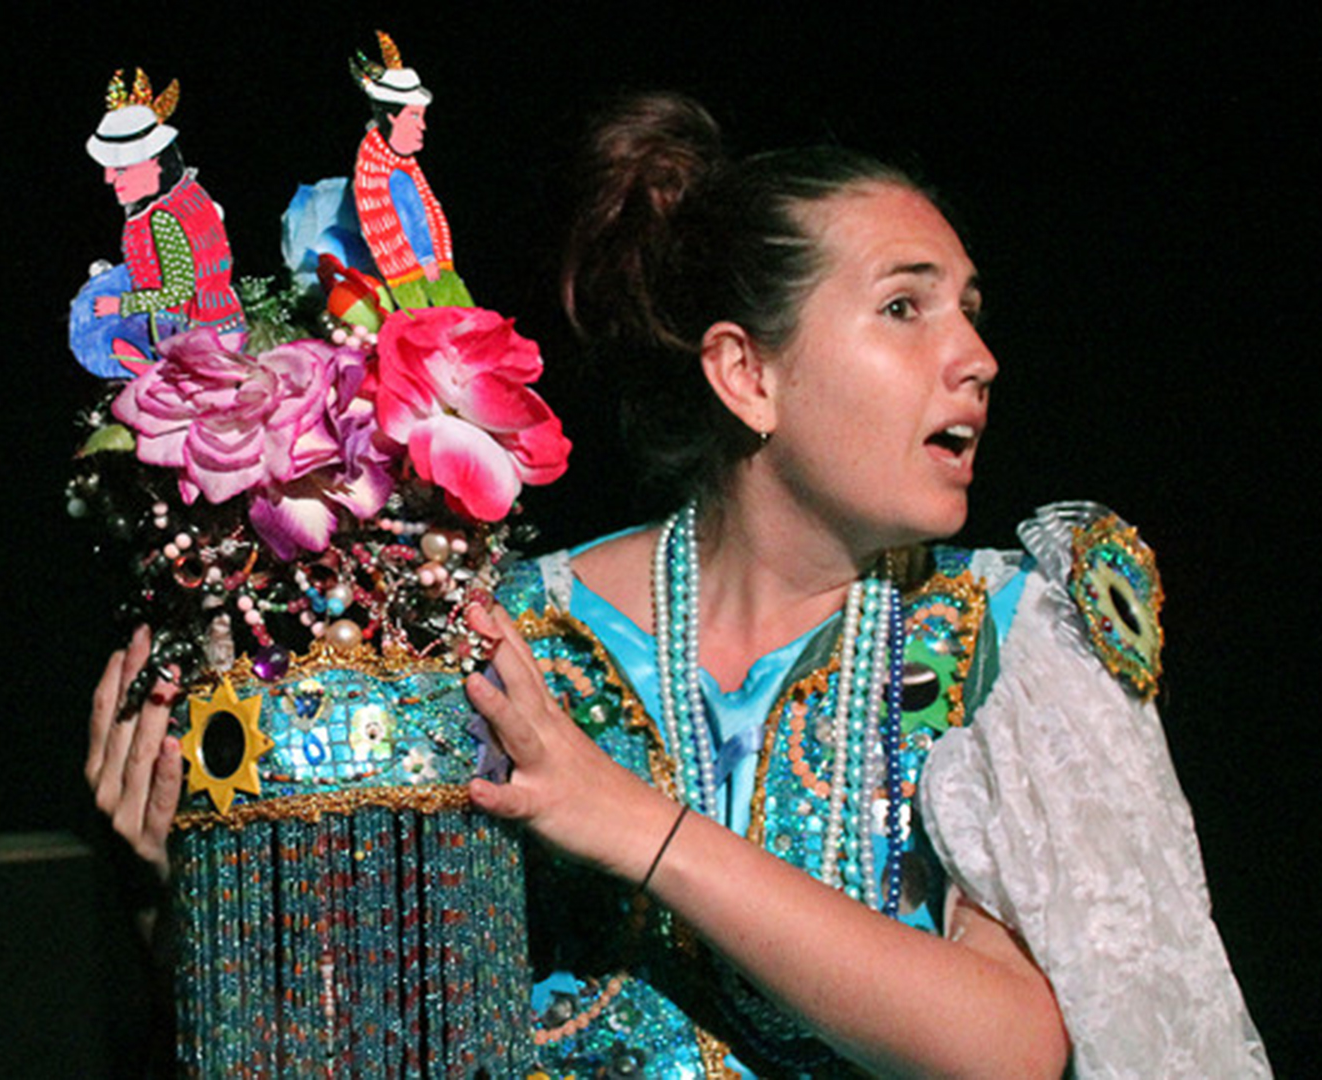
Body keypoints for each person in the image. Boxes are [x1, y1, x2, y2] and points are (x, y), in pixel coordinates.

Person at [87, 93, 1270, 1076]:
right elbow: (374, 1041)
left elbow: (1009, 1047)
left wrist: (631, 824)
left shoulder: (995, 636)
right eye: (906, 307)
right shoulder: (502, 635)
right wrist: (175, 900)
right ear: (745, 374)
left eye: (970, 310)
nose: (974, 358)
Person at [74, 69, 244, 376]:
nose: (109, 178)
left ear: (156, 163)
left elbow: (179, 289)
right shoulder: (186, 197)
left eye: (121, 168)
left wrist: (121, 305)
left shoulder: (164, 219)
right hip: (211, 325)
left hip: (201, 335)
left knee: (113, 343)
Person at [349, 31, 473, 310]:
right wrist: (427, 259)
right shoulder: (382, 170)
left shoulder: (401, 164)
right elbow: (406, 216)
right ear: (391, 116)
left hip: (433, 267)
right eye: (414, 116)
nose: (423, 127)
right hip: (414, 275)